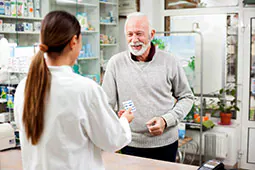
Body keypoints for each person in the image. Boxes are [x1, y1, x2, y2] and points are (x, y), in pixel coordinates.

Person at [14, 11, 134, 170]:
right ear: (74, 41)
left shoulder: (24, 87)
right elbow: (113, 140)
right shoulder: (85, 90)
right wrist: (124, 120)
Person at [102, 12, 194, 162]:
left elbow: (187, 97)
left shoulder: (169, 61)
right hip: (130, 143)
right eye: (129, 34)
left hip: (165, 143)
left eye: (139, 34)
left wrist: (166, 120)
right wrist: (117, 121)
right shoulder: (115, 63)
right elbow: (106, 105)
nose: (134, 40)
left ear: (151, 34)